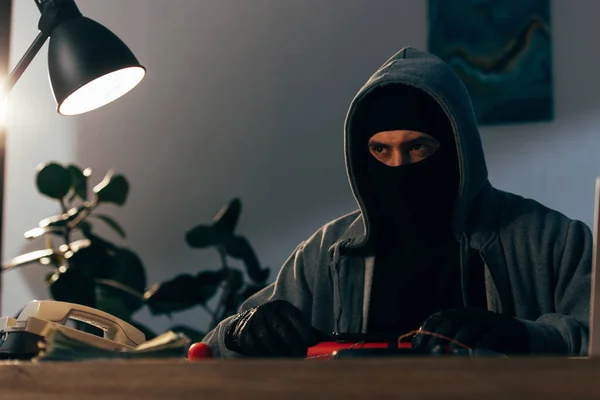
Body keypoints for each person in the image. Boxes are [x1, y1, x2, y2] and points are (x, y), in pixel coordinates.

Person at [201, 47, 591, 358]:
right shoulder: (329, 253)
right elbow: (210, 348)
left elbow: (593, 333)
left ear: (457, 149)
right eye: (380, 151)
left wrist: (525, 337)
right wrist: (242, 331)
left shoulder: (551, 239)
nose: (398, 167)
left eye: (418, 147)